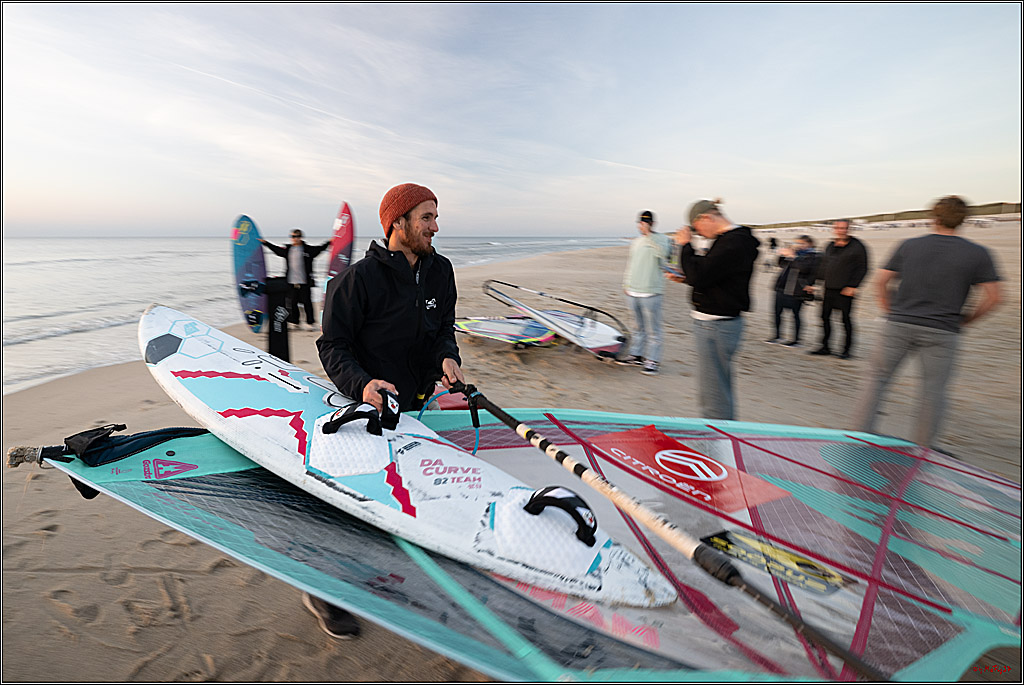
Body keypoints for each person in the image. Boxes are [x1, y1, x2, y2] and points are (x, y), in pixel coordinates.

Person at [308, 183, 465, 639]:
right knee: (353, 505)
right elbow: (332, 345)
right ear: (398, 222)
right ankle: (323, 592)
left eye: (435, 216)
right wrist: (362, 385)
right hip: (367, 409)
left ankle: (384, 572)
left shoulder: (441, 272)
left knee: (404, 494)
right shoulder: (357, 280)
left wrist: (447, 356)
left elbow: (444, 327)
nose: (435, 227)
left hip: (416, 406)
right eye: (426, 218)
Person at [851, 196, 1001, 448]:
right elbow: (995, 298)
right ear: (963, 220)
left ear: (935, 218)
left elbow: (881, 282)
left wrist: (889, 310)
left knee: (876, 380)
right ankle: (924, 447)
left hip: (899, 324)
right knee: (933, 390)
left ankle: (859, 435)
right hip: (943, 329)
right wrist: (966, 321)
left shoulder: (909, 245)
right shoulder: (978, 253)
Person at [672, 199, 759, 420]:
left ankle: (717, 436)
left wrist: (685, 245)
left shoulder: (733, 242)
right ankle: (721, 430)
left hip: (716, 325)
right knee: (716, 387)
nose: (699, 234)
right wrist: (685, 278)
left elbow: (700, 275)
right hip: (717, 324)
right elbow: (714, 276)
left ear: (706, 218)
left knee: (713, 394)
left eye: (697, 228)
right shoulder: (731, 241)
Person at [618, 210, 673, 375]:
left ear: (652, 224)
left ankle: (653, 361)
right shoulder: (636, 242)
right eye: (641, 223)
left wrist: (650, 236)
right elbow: (631, 264)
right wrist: (626, 283)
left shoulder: (663, 239)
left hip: (651, 291)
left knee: (654, 329)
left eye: (646, 223)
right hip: (633, 290)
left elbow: (665, 256)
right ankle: (636, 355)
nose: (642, 226)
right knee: (637, 326)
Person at [809, 219, 868, 359]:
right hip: (829, 288)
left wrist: (853, 286)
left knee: (845, 320)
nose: (841, 231)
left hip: (845, 290)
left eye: (844, 228)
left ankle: (846, 350)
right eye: (839, 228)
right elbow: (823, 266)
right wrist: (814, 283)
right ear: (834, 229)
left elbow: (863, 268)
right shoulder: (830, 245)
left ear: (849, 229)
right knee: (825, 318)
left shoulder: (857, 246)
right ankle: (825, 347)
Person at [261, 229, 332, 330]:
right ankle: (295, 322)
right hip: (291, 281)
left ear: (301, 237)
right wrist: (266, 243)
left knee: (307, 302)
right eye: (293, 236)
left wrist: (329, 242)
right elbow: (277, 250)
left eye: (297, 236)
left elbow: (320, 248)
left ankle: (310, 323)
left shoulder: (308, 250)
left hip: (304, 282)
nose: (295, 239)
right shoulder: (288, 249)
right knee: (292, 303)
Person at [766, 235, 818, 347]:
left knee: (796, 315)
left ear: (810, 244)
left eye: (802, 243)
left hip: (796, 290)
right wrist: (782, 255)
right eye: (798, 243)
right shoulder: (796, 253)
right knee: (777, 313)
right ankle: (777, 336)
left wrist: (793, 256)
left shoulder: (812, 256)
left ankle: (796, 340)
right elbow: (781, 264)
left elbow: (803, 268)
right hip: (781, 288)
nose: (799, 245)